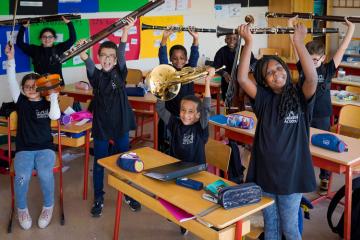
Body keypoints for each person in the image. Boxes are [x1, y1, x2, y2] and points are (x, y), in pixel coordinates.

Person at [237, 22, 318, 240]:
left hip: (291, 176)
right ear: (264, 81)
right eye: (269, 73)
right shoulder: (263, 99)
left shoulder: (300, 98)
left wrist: (298, 43)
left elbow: (312, 78)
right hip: (264, 174)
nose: (276, 74)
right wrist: (249, 43)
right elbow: (242, 78)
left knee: (290, 228)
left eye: (279, 68)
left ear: (286, 69)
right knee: (271, 227)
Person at [79, 17, 139, 217]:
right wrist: (84, 54)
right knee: (99, 163)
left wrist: (125, 33)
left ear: (115, 60)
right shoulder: (95, 76)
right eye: (103, 55)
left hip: (121, 125)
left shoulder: (120, 73)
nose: (107, 59)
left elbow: (122, 54)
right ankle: (99, 196)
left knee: (125, 160)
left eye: (111, 56)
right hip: (102, 127)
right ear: (99, 57)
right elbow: (88, 62)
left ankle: (128, 194)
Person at [289, 16, 355, 194]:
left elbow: (342, 48)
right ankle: (302, 174)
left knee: (324, 145)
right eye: (309, 59)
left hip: (322, 114)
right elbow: (296, 46)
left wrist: (351, 29)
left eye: (316, 60)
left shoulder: (327, 69)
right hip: (304, 112)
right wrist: (290, 26)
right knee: (303, 144)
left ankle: (324, 178)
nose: (312, 63)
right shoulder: (303, 65)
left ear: (323, 58)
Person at [5, 43, 61, 230]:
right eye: (27, 86)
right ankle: (21, 208)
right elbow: (11, 80)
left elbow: (55, 116)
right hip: (24, 150)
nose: (30, 89)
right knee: (22, 176)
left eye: (34, 86)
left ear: (40, 87)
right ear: (22, 89)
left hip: (45, 148)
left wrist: (53, 96)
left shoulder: (47, 103)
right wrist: (10, 59)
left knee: (45, 174)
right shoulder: (21, 102)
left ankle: (48, 205)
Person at [156, 67, 214, 163]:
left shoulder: (200, 127)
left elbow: (206, 107)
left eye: (191, 111)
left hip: (196, 171)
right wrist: (163, 89)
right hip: (175, 169)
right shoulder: (174, 123)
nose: (186, 114)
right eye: (183, 110)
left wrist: (207, 81)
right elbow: (160, 108)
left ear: (198, 115)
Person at [16, 16, 76, 86]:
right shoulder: (34, 50)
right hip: (41, 85)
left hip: (58, 85)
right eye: (44, 37)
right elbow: (19, 43)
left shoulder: (59, 48)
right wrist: (23, 27)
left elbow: (72, 39)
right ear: (40, 39)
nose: (47, 39)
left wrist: (69, 23)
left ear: (54, 39)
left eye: (50, 37)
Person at [213, 33, 257, 101]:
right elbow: (215, 66)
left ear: (238, 40)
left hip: (244, 85)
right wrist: (224, 73)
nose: (231, 41)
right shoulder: (221, 51)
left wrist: (249, 68)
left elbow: (255, 62)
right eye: (228, 38)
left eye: (235, 39)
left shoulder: (245, 50)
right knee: (227, 103)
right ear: (225, 40)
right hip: (227, 84)